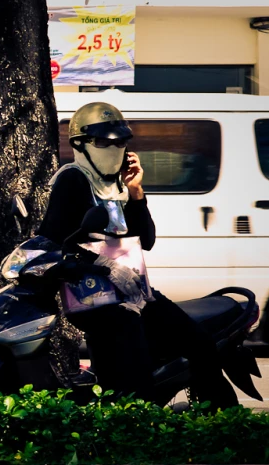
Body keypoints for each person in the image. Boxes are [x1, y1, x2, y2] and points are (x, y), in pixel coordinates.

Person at [38, 102, 238, 409]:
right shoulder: (73, 179)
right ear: (80, 144)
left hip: (134, 290)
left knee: (199, 343)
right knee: (134, 372)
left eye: (120, 142)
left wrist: (136, 193)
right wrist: (103, 266)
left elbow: (146, 240)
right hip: (94, 298)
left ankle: (221, 420)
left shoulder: (118, 183)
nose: (114, 149)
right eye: (104, 142)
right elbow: (54, 241)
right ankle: (138, 433)